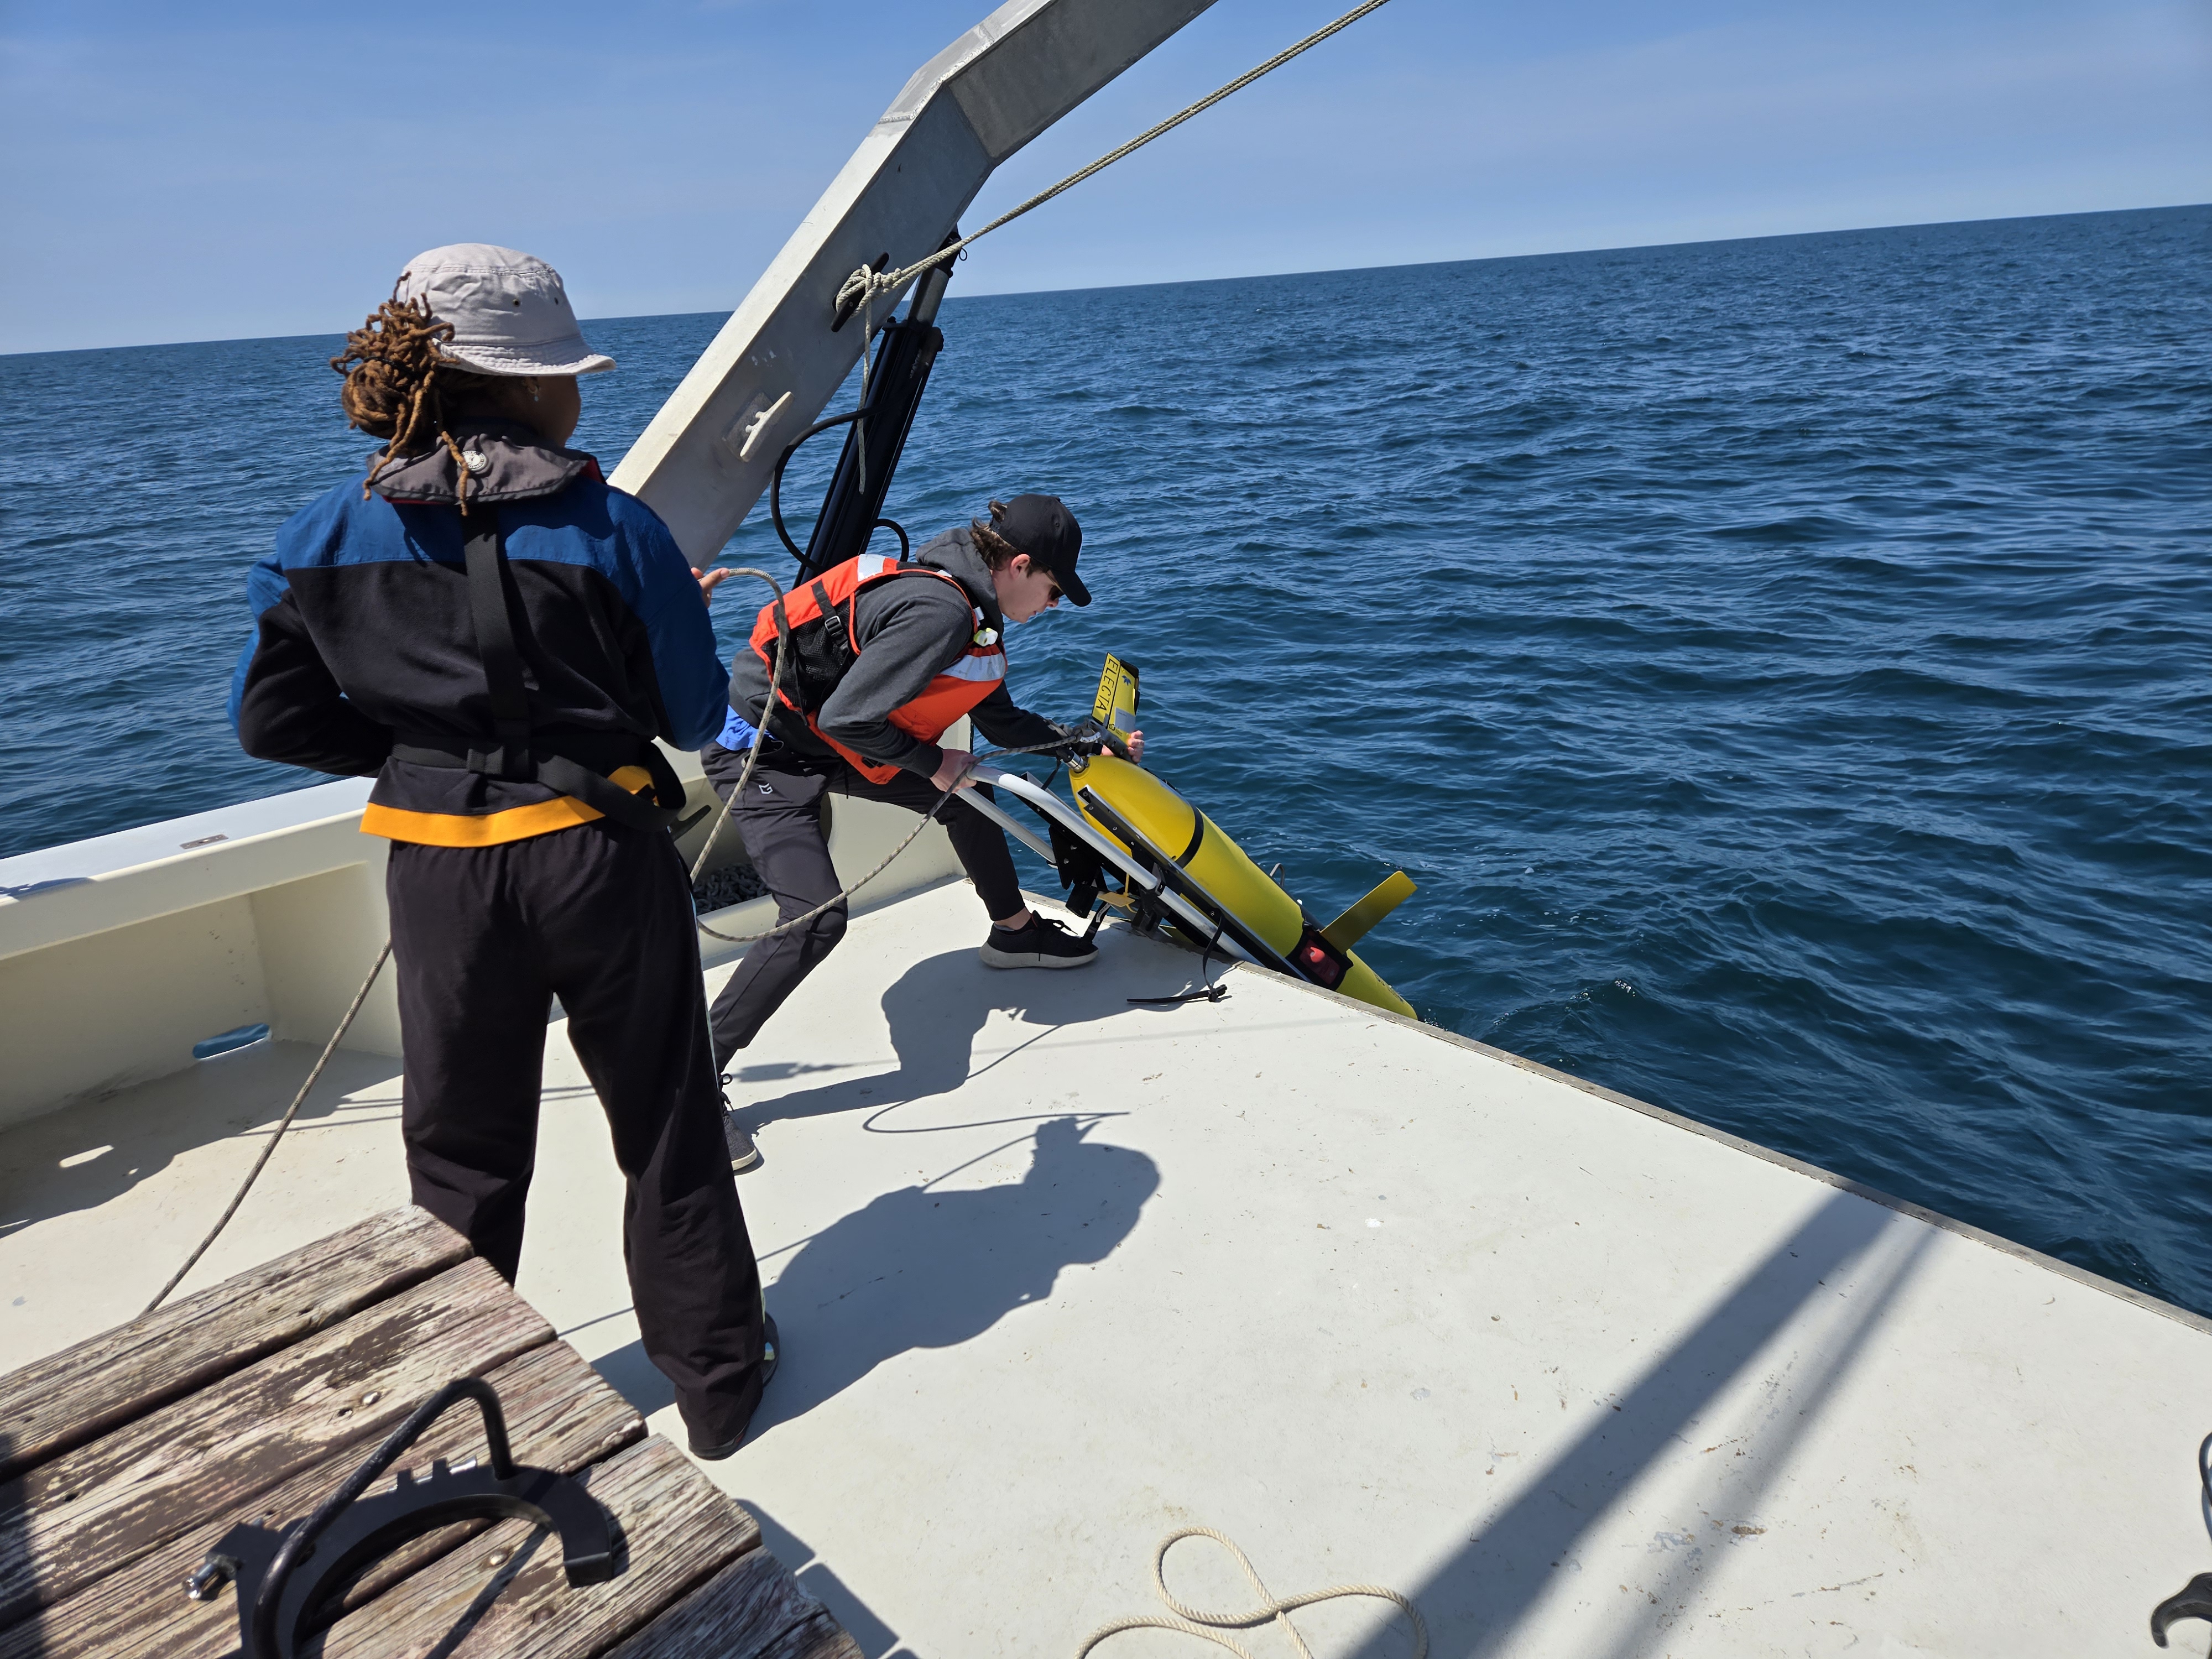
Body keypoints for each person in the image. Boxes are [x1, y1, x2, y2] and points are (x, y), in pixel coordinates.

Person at [230, 243, 774, 1459]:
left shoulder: (318, 534)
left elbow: (267, 722)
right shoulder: (615, 530)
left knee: (461, 1151)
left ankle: (460, 1416)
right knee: (665, 1117)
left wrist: (422, 755)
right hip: (594, 854)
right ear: (524, 386)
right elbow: (690, 718)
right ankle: (719, 1390)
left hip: (436, 868)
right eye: (568, 372)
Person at [701, 497, 1143, 1163]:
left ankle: (1013, 936)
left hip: (826, 745)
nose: (1052, 607)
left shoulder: (975, 618)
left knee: (966, 800)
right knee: (815, 917)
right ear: (1019, 566)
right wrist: (935, 762)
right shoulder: (940, 613)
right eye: (1054, 591)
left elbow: (998, 721)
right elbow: (851, 718)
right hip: (761, 752)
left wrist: (1082, 741)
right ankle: (691, 1080)